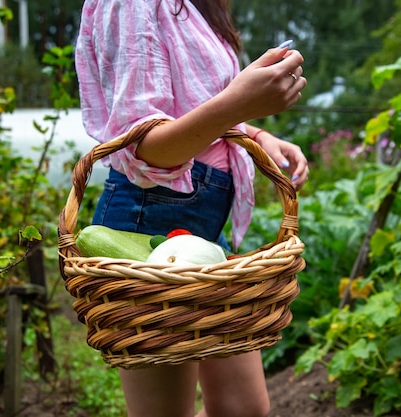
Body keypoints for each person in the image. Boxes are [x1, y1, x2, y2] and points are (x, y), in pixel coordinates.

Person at [75, 1, 309, 416]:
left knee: (243, 407)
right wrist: (240, 104)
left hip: (199, 226)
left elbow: (194, 105)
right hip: (149, 220)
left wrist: (255, 131)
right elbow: (145, 145)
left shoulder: (196, 7)